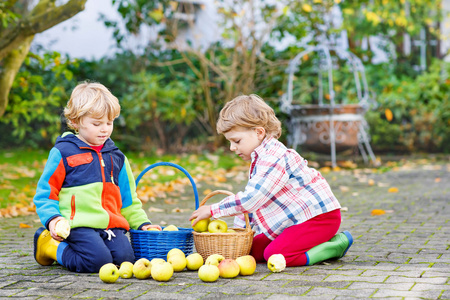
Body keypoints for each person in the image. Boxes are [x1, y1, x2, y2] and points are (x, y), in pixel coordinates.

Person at [190, 94, 353, 267]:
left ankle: (332, 246)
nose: (232, 147)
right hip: (295, 220)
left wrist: (214, 210)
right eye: (230, 142)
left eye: (236, 141)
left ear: (259, 132)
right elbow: (252, 208)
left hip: (318, 218)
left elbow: (252, 199)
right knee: (251, 251)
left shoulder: (273, 158)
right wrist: (241, 232)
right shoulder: (259, 159)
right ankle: (308, 243)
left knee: (275, 255)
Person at [33, 82, 161, 273]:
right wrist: (54, 219)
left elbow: (129, 199)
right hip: (77, 225)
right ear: (75, 121)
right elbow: (45, 193)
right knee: (96, 262)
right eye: (96, 124)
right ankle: (50, 246)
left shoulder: (117, 157)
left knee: (126, 259)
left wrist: (142, 223)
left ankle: (100, 249)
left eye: (109, 123)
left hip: (110, 225)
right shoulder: (63, 152)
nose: (105, 129)